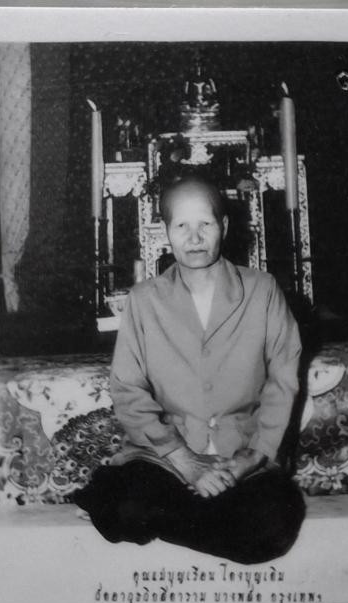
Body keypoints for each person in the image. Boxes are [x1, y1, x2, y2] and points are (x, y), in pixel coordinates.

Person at [74, 176, 305, 564]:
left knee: (274, 525)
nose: (194, 237)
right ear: (165, 231)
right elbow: (128, 389)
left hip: (240, 456)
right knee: (129, 508)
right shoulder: (144, 300)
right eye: (182, 225)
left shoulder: (262, 291)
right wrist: (187, 463)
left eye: (205, 224)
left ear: (224, 227)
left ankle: (160, 514)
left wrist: (254, 456)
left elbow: (282, 382)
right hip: (168, 456)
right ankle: (201, 515)